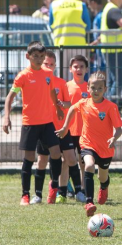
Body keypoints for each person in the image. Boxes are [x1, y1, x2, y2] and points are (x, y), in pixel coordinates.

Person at [2, 42, 65, 206]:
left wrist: (57, 107)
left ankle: (54, 186)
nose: (38, 59)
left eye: (41, 56)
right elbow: (10, 97)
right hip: (30, 123)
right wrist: (6, 117)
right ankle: (25, 195)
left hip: (47, 122)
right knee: (30, 157)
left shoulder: (48, 74)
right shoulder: (23, 76)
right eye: (35, 56)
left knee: (56, 153)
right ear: (27, 56)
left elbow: (51, 90)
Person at [56, 71, 122, 217]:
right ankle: (89, 202)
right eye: (93, 88)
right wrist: (65, 127)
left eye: (100, 88)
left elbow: (119, 129)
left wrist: (114, 138)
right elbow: (72, 109)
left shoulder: (110, 107)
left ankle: (104, 187)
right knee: (89, 165)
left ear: (105, 89)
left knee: (102, 177)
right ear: (88, 88)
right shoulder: (83, 103)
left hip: (106, 148)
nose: (96, 91)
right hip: (87, 144)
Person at [42, 50, 84, 204]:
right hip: (48, 127)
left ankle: (80, 190)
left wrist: (61, 104)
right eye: (46, 64)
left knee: (75, 160)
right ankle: (55, 189)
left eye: (52, 64)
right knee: (47, 160)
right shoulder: (43, 82)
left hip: (68, 128)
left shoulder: (62, 83)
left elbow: (69, 104)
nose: (49, 66)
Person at [64, 54, 94, 199]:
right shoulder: (66, 87)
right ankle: (65, 187)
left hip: (85, 132)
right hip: (69, 130)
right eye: (75, 66)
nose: (79, 69)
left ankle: (83, 189)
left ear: (86, 69)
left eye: (82, 66)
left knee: (83, 162)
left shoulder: (90, 88)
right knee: (68, 161)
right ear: (70, 69)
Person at [48, 0, 92, 67]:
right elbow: (88, 27)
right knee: (78, 73)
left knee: (62, 73)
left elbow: (51, 25)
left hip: (61, 45)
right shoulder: (81, 5)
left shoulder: (54, 5)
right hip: (79, 46)